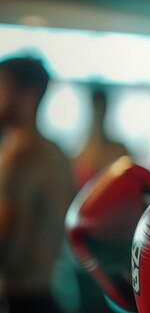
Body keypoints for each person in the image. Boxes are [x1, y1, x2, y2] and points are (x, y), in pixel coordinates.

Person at [0, 57, 75, 313]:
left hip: (25, 298)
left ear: (29, 95)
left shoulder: (27, 157)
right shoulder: (56, 154)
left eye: (2, 86)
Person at [73, 85, 129, 190]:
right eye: (96, 107)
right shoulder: (79, 153)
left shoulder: (119, 150)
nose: (99, 113)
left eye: (101, 108)